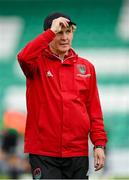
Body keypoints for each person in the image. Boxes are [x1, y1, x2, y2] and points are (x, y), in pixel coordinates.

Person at [17, 12, 108, 179]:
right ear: (49, 34)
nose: (65, 37)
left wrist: (99, 144)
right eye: (59, 32)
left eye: (68, 31)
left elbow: (94, 110)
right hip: (44, 153)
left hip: (77, 152)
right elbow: (23, 57)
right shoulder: (35, 63)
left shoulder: (87, 67)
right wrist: (51, 31)